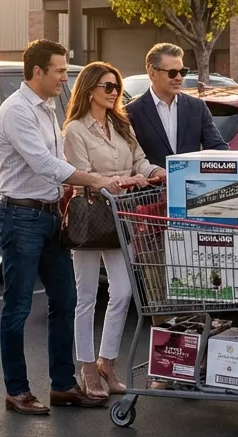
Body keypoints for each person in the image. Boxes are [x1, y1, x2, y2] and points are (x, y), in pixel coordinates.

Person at [0, 39, 119, 416]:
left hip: (49, 215)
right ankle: (17, 391)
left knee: (65, 301)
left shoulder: (47, 107)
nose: (66, 78)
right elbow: (45, 164)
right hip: (19, 216)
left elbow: (57, 162)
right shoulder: (16, 111)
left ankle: (63, 386)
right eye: (60, 71)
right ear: (37, 72)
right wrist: (94, 180)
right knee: (17, 308)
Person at [63, 61, 165, 398]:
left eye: (116, 87)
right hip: (91, 217)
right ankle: (87, 365)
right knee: (87, 297)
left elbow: (140, 160)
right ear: (89, 89)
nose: (114, 93)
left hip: (122, 217)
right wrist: (124, 181)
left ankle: (107, 361)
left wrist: (156, 171)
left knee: (122, 292)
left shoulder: (122, 124)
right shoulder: (76, 130)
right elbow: (81, 173)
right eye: (107, 86)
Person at [125, 43, 228, 167]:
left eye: (182, 72)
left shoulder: (197, 107)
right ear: (152, 73)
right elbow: (129, 160)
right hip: (152, 185)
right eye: (172, 73)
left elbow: (217, 149)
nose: (179, 78)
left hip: (191, 184)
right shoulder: (131, 112)